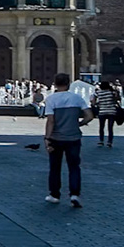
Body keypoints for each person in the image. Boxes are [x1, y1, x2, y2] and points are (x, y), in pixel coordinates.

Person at [42, 72, 90, 207]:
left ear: (55, 84)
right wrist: (79, 123)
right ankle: (75, 194)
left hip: (56, 138)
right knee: (74, 167)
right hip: (74, 137)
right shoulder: (77, 98)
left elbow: (50, 121)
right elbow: (89, 115)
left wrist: (47, 138)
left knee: (55, 167)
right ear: (68, 84)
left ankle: (54, 195)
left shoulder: (51, 99)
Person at [90, 80, 120, 148]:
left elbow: (92, 100)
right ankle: (109, 142)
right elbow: (116, 100)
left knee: (101, 127)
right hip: (112, 111)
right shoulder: (112, 92)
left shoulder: (98, 93)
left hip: (102, 112)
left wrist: (96, 104)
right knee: (110, 128)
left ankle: (101, 141)